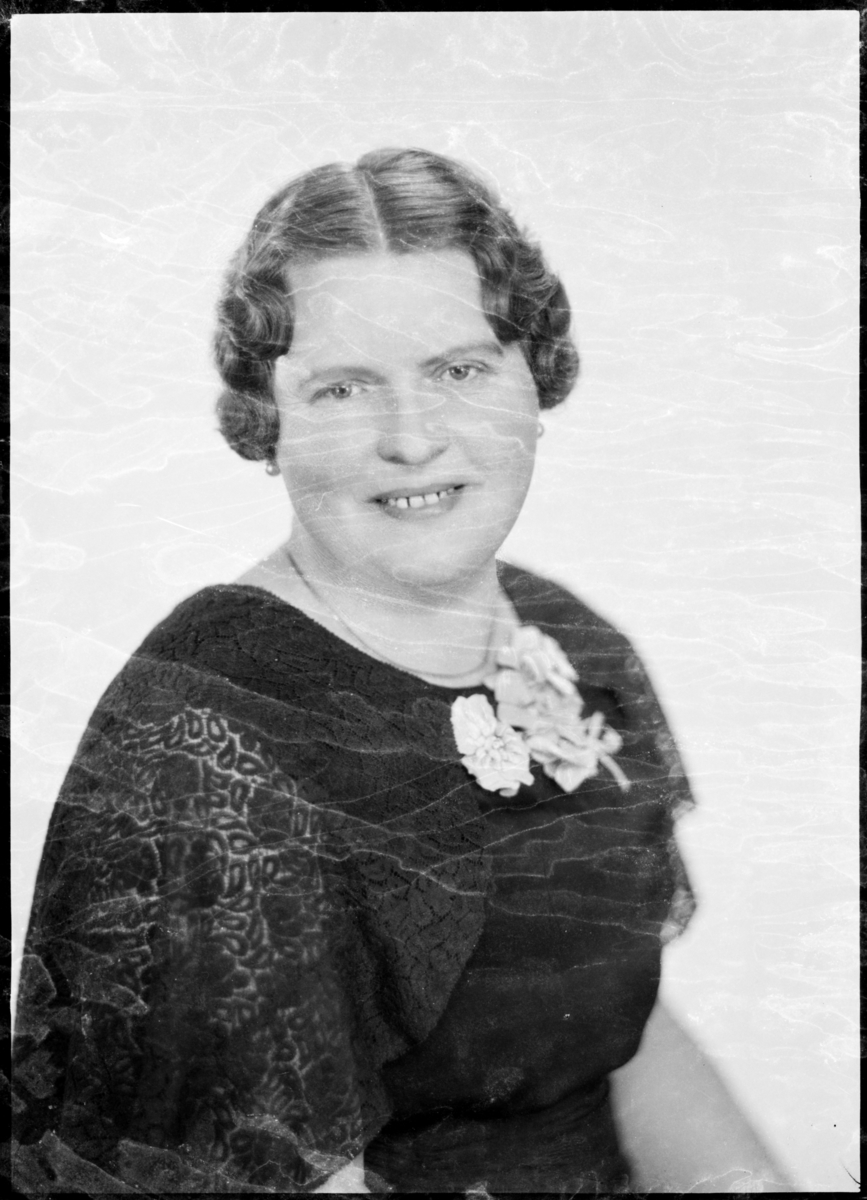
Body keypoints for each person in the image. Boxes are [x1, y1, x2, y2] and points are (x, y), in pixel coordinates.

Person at [11, 148, 794, 1195]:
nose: (413, 439)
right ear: (269, 420)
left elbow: (616, 1031)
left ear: (534, 377)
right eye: (343, 388)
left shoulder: (573, 640)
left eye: (460, 370)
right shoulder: (210, 727)